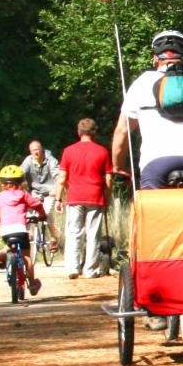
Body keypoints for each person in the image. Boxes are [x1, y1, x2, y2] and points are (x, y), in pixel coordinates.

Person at [111, 29, 183, 191]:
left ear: (155, 58)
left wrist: (118, 167)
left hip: (157, 160)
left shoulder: (142, 82)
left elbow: (121, 132)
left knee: (152, 214)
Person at [54, 119, 113, 280]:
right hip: (95, 196)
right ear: (94, 132)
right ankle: (90, 269)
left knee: (74, 232)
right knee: (93, 234)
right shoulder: (102, 152)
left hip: (75, 196)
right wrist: (107, 200)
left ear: (78, 132)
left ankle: (72, 267)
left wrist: (58, 199)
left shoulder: (68, 151)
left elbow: (61, 178)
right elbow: (108, 179)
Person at [0, 164, 45, 296]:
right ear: (21, 182)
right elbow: (37, 205)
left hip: (5, 230)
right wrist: (42, 215)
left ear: (2, 183)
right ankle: (32, 284)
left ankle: (5, 249)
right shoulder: (23, 194)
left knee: (11, 242)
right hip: (20, 229)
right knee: (26, 257)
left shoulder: (1, 196)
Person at [20, 140, 60, 251]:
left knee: (46, 213)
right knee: (29, 213)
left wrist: (56, 190)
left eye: (37, 150)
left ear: (41, 149)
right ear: (30, 151)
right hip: (34, 191)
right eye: (33, 150)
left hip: (50, 191)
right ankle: (31, 234)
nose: (35, 152)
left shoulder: (51, 160)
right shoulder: (28, 160)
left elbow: (57, 175)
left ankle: (53, 237)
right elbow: (21, 172)